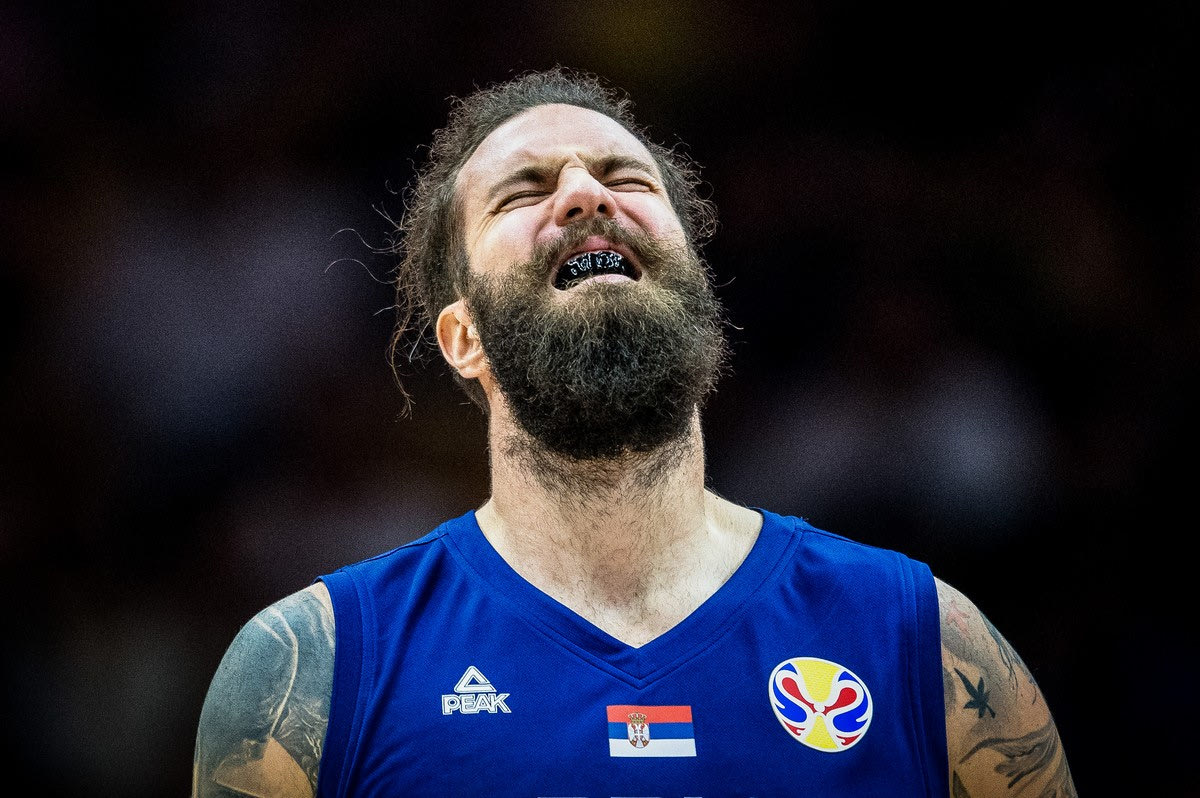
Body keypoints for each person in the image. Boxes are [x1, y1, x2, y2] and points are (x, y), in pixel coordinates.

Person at [191, 67, 1076, 797]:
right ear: (463, 338)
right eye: (524, 191)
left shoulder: (924, 640)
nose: (585, 193)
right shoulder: (316, 671)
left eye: (627, 179)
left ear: (696, 285)